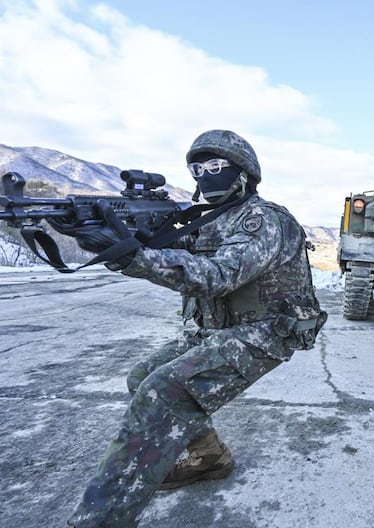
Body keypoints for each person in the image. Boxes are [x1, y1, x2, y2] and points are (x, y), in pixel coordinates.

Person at [63, 130, 327, 527]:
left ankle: (99, 520)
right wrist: (122, 238)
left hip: (266, 332)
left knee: (162, 391)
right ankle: (207, 456)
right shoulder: (208, 221)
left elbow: (218, 275)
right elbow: (175, 256)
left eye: (216, 166)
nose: (206, 175)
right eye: (197, 168)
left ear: (243, 172)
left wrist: (133, 256)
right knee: (141, 377)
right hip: (220, 330)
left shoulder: (263, 220)